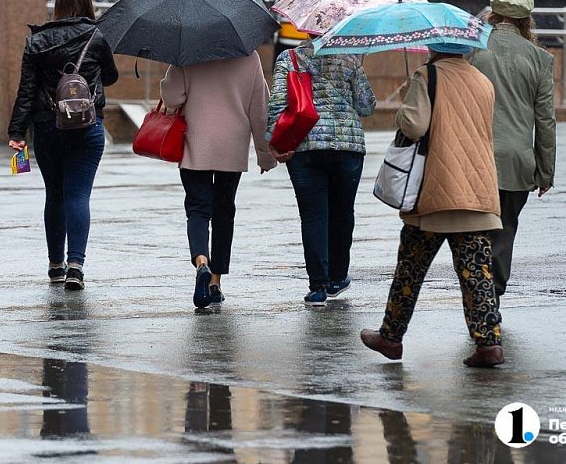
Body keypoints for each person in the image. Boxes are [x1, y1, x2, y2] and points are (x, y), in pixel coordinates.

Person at [360, 43, 505, 368]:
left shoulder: (428, 75)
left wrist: (402, 106)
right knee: (477, 272)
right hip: (477, 188)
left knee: (410, 269)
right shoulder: (483, 80)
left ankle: (391, 337)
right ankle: (489, 342)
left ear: (434, 47)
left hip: (436, 191)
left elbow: (414, 126)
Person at [8, 0, 118, 291]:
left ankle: (55, 264)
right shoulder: (96, 36)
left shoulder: (37, 41)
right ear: (87, 4)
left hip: (47, 126)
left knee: (54, 194)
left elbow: (26, 91)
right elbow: (110, 76)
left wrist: (17, 131)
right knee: (78, 194)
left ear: (58, 6)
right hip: (87, 127)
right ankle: (76, 265)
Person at [160, 51, 277, 309]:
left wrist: (172, 71)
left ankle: (201, 261)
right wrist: (264, 155)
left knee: (198, 209)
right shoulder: (250, 57)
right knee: (224, 212)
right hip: (232, 146)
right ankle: (215, 281)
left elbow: (171, 97)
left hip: (195, 143)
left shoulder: (187, 53)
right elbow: (259, 109)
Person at [466, 0, 556, 304]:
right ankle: (494, 294)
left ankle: (477, 292)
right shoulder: (540, 60)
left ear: (493, 12)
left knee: (475, 229)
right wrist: (545, 173)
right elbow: (545, 122)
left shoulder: (474, 50)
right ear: (526, 19)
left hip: (477, 157)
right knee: (505, 229)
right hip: (518, 161)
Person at [267, 42, 376, 306]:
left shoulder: (289, 58)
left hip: (306, 146)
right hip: (347, 148)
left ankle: (317, 287)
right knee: (342, 212)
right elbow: (366, 106)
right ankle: (338, 278)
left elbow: (278, 104)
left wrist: (274, 142)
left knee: (313, 217)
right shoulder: (350, 58)